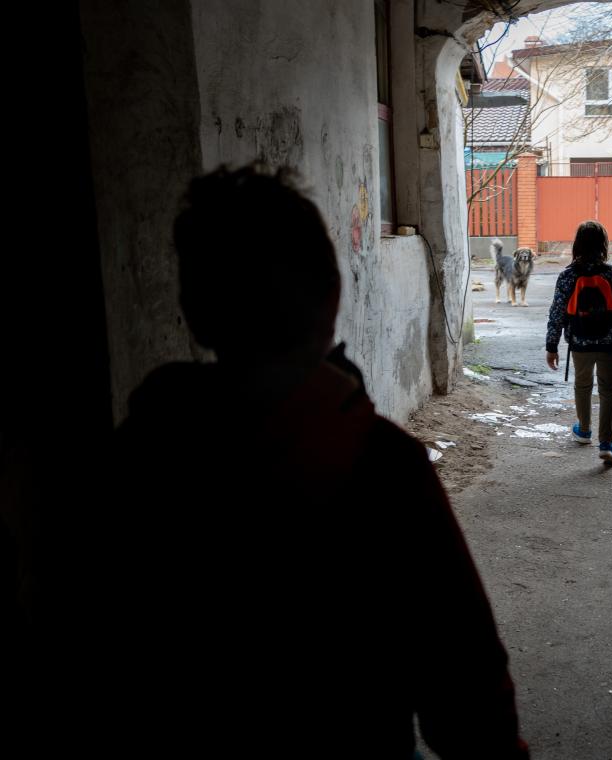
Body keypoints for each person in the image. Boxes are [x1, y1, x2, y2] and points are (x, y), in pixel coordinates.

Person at [74, 164, 528, 757]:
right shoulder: (383, 468)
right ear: (334, 294)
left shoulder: (136, 454)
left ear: (193, 308)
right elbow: (464, 682)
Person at [545, 220, 612, 465]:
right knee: (609, 390)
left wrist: (552, 345)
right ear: (603, 245)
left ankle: (584, 430)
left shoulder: (567, 275)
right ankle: (607, 443)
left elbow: (557, 312)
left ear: (577, 244)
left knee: (583, 385)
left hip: (580, 341)